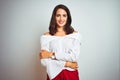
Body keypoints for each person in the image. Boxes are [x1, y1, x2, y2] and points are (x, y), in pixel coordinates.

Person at [39, 4, 81, 80]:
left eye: (64, 15)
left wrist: (51, 54)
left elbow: (74, 57)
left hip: (70, 74)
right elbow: (44, 61)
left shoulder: (75, 35)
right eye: (58, 15)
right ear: (54, 17)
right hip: (53, 75)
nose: (61, 19)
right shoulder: (46, 36)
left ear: (68, 17)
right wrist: (67, 63)